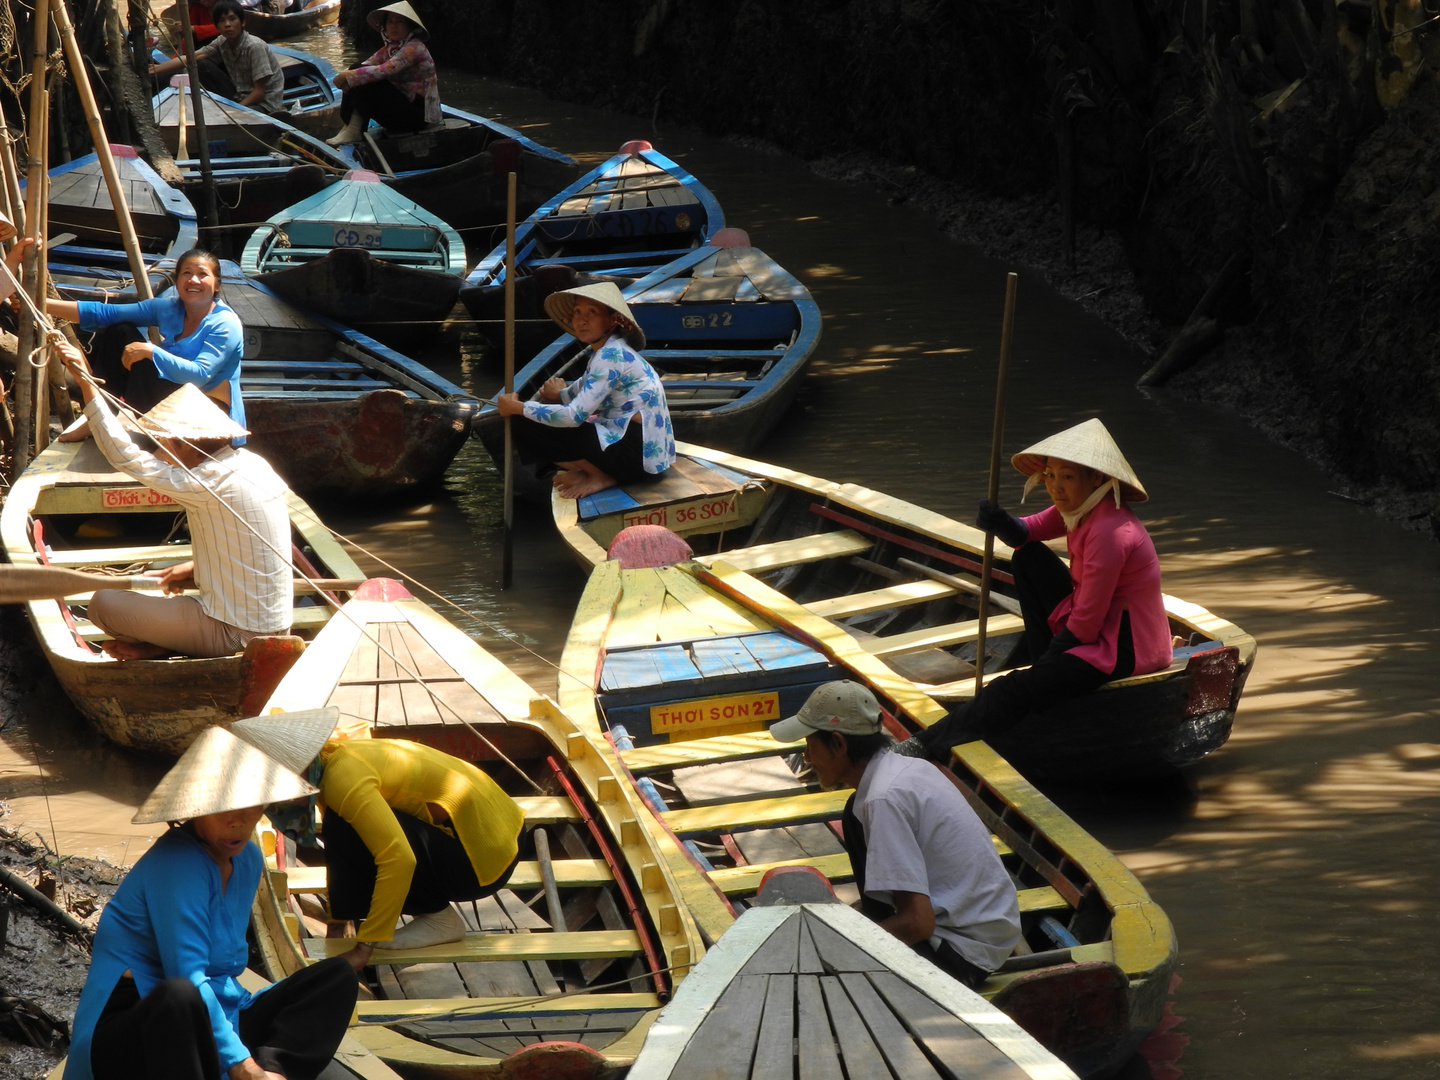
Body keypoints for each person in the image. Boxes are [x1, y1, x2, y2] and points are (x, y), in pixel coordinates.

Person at [66, 712, 362, 1080]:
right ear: (198, 807)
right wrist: (241, 1065)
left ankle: (276, 1073)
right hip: (136, 1032)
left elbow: (224, 973)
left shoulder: (249, 858)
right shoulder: (176, 863)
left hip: (213, 1019)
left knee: (336, 976)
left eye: (250, 806)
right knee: (179, 995)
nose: (237, 822)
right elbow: (188, 977)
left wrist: (254, 1057)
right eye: (224, 809)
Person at [901, 418, 1173, 759]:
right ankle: (1046, 669)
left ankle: (921, 746)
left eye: (1068, 477)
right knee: (1026, 557)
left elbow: (1086, 624)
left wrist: (1044, 670)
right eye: (1050, 475)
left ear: (1097, 479)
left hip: (1125, 646)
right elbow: (1027, 531)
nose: (1056, 487)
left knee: (1008, 690)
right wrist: (999, 522)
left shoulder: (1110, 530)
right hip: (1099, 628)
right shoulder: (1083, 507)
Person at [769, 681, 1021, 988]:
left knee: (819, 979)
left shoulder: (883, 799)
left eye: (811, 745)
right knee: (853, 810)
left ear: (838, 743)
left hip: (961, 953)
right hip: (987, 935)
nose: (807, 757)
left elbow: (917, 923)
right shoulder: (908, 768)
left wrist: (836, 951)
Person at [55, 340, 292, 661]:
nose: (162, 452)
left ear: (185, 444)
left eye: (167, 444)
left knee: (102, 605)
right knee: (170, 583)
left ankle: (169, 644)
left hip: (238, 637)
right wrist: (194, 569)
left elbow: (122, 455)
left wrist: (84, 381)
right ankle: (168, 642)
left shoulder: (205, 481)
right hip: (276, 628)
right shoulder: (252, 463)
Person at [317, 737, 526, 950]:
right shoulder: (333, 755)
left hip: (485, 857)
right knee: (342, 826)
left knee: (348, 830)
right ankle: (359, 914)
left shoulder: (340, 779)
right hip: (509, 829)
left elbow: (399, 859)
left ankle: (439, 918)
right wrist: (337, 921)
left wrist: (368, 941)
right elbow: (337, 849)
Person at [43, 247, 246, 443]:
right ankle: (99, 417)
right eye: (186, 273)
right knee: (119, 331)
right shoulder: (169, 308)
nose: (193, 280)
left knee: (144, 353)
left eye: (202, 274)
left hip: (207, 415)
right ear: (177, 281)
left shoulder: (226, 324)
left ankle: (154, 434)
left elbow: (199, 375)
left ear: (217, 284)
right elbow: (106, 313)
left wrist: (151, 351)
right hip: (171, 398)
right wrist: (43, 305)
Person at [495, 282, 675, 499]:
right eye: (578, 312)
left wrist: (518, 407)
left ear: (612, 320)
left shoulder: (609, 357)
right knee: (540, 413)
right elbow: (578, 391)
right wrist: (559, 394)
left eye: (592, 312)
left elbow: (573, 415)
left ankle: (599, 474)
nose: (582, 319)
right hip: (644, 455)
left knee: (524, 421)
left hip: (636, 458)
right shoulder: (607, 351)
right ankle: (589, 471)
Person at [327, 2, 439, 146]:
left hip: (420, 116)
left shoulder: (415, 47)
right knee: (356, 68)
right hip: (403, 108)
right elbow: (365, 66)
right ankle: (351, 126)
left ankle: (354, 129)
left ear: (410, 26)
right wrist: (347, 75)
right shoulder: (390, 48)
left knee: (368, 79)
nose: (394, 26)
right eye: (390, 22)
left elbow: (385, 70)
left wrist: (346, 77)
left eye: (399, 22)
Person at [150, 1, 287, 115]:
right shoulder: (222, 41)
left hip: (265, 104)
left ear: (242, 22)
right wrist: (157, 69)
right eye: (222, 21)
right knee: (202, 64)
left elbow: (259, 92)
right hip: (240, 94)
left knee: (241, 115)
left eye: (232, 19)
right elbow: (190, 58)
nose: (227, 24)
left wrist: (233, 110)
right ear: (216, 26)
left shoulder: (254, 46)